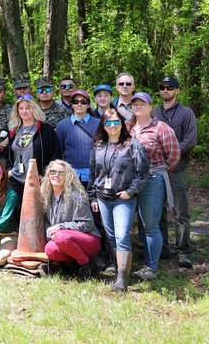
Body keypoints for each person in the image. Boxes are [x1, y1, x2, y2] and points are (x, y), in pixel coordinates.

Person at [88, 108, 148, 292]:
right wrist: (93, 197)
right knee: (112, 236)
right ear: (103, 125)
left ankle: (123, 279)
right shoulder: (98, 145)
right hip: (103, 197)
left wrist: (130, 191)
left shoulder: (132, 144)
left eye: (116, 122)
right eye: (108, 122)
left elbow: (142, 172)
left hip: (123, 198)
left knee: (122, 236)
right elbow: (93, 173)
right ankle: (118, 272)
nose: (112, 126)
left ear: (122, 124)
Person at [127, 91, 180, 281]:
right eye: (135, 104)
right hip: (127, 182)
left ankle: (151, 267)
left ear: (151, 107)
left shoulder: (161, 128)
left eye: (143, 103)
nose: (138, 106)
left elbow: (173, 156)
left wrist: (157, 171)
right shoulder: (127, 127)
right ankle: (120, 264)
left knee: (150, 225)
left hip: (151, 181)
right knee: (123, 224)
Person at [153, 76, 198, 268]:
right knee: (158, 211)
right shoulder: (153, 112)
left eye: (169, 87)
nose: (165, 90)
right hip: (156, 170)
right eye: (162, 87)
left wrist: (171, 152)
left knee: (180, 212)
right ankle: (163, 248)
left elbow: (190, 140)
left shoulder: (186, 113)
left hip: (177, 169)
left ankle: (183, 251)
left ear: (177, 90)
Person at [42, 160, 101, 277]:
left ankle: (87, 265)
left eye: (61, 173)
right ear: (48, 174)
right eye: (53, 172)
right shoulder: (46, 196)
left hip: (88, 239)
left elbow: (88, 224)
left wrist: (61, 227)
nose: (56, 175)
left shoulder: (76, 196)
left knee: (61, 236)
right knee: (50, 249)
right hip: (63, 240)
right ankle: (72, 266)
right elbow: (46, 222)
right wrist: (50, 234)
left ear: (68, 176)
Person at [7, 95, 61, 200]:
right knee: (19, 213)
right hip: (16, 179)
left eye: (28, 108)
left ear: (34, 109)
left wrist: (45, 174)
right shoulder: (14, 130)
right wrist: (9, 169)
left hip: (38, 179)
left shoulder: (45, 129)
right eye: (21, 108)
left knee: (39, 212)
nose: (24, 111)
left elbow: (55, 153)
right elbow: (8, 154)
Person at [55, 89, 100, 185]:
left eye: (83, 102)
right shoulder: (62, 125)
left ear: (88, 105)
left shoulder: (98, 123)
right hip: (70, 174)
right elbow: (58, 150)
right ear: (71, 104)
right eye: (76, 102)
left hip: (94, 174)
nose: (79, 104)